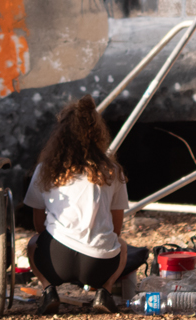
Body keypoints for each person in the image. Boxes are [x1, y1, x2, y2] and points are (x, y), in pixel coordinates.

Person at [25, 96, 129, 315]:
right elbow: (117, 228)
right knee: (123, 246)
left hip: (55, 260)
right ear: (98, 133)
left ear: (60, 135)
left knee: (33, 244)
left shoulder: (45, 170)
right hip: (98, 264)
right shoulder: (112, 170)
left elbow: (38, 224)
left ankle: (49, 290)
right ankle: (104, 292)